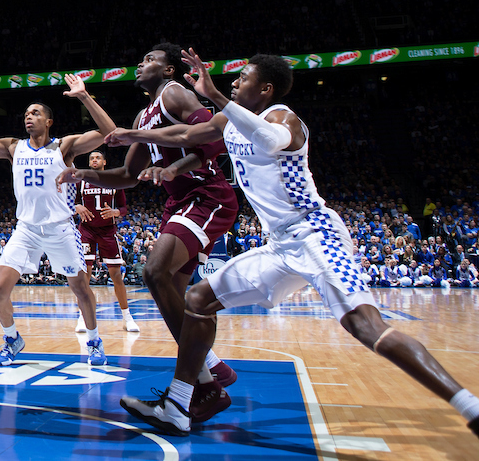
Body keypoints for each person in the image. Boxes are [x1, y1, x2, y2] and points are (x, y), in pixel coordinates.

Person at [108, 51, 479, 440]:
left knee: (364, 326)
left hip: (316, 236)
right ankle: (178, 405)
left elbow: (270, 141)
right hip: (280, 246)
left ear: (265, 88)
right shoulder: (228, 122)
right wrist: (134, 134)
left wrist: (217, 96)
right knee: (199, 300)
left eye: (244, 78)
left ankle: (468, 405)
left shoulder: (283, 117)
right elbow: (185, 135)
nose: (235, 82)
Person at [57, 42, 239, 414]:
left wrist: (173, 168)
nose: (140, 65)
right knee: (173, 295)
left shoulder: (175, 94)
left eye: (149, 60)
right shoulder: (143, 116)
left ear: (168, 70)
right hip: (180, 203)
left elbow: (213, 137)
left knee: (153, 272)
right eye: (140, 59)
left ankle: (203, 385)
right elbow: (126, 176)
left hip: (207, 196)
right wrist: (83, 173)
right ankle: (212, 369)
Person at [0, 73, 114, 365]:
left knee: (81, 289)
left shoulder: (64, 146)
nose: (28, 117)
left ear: (49, 122)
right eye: (26, 114)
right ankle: (12, 339)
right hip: (27, 229)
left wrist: (84, 96)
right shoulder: (13, 147)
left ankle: (94, 341)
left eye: (35, 113)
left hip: (60, 229)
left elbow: (109, 132)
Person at [70, 151, 139, 334]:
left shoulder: (114, 181)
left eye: (97, 157)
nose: (94, 160)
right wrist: (76, 206)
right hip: (86, 231)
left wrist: (117, 212)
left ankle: (127, 317)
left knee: (116, 275)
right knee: (84, 275)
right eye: (91, 158)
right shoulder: (81, 181)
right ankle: (82, 317)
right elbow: (71, 201)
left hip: (108, 232)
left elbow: (123, 207)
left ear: (104, 162)